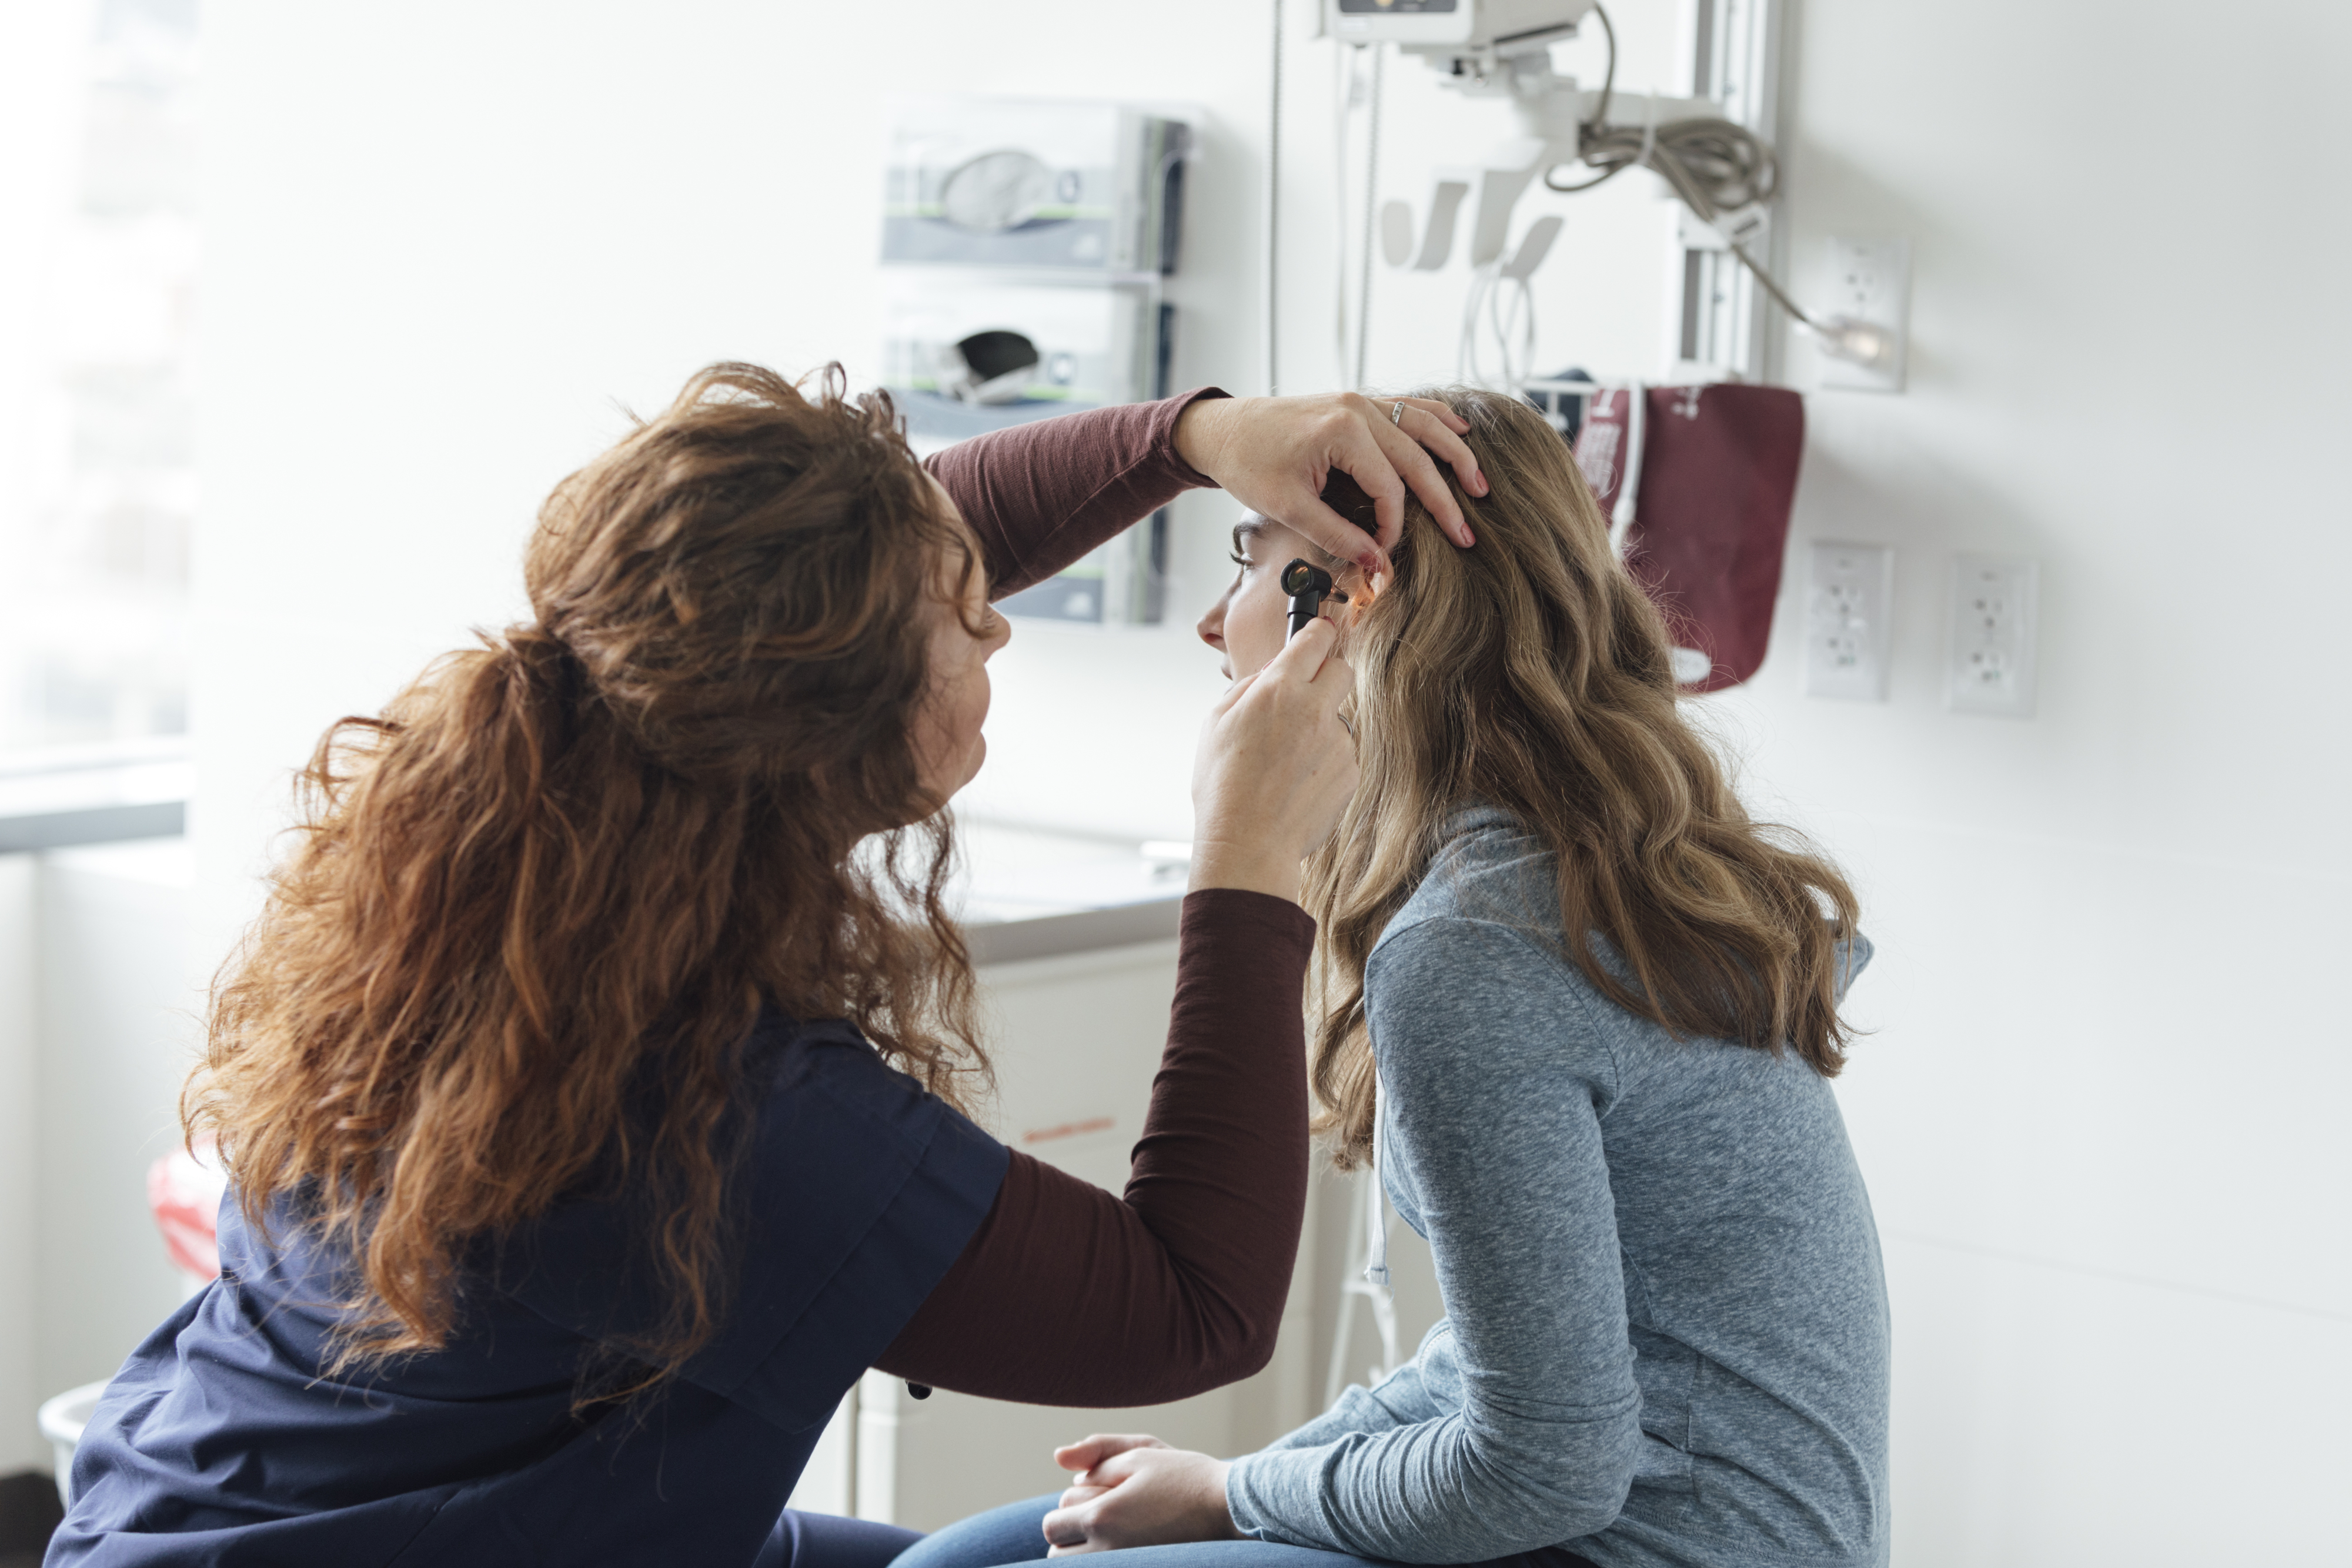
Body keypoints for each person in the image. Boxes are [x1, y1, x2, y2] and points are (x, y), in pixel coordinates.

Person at [46, 366, 1490, 1568]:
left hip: (202, 1506)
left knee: (991, 1547)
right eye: (959, 614)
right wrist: (1247, 861)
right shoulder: (728, 1111)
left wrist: (1191, 436)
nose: (994, 615)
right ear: (836, 719)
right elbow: (1194, 1307)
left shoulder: (523, 819)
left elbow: (900, 545)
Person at [896, 387, 1888, 1568]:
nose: (1213, 624)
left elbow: (1544, 1465)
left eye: (1248, 562)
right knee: (956, 1560)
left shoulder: (1474, 946)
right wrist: (1238, 1482)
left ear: (1351, 602)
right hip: (1662, 1523)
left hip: (1638, 1546)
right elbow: (1497, 1377)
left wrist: (1230, 1492)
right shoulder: (1566, 872)